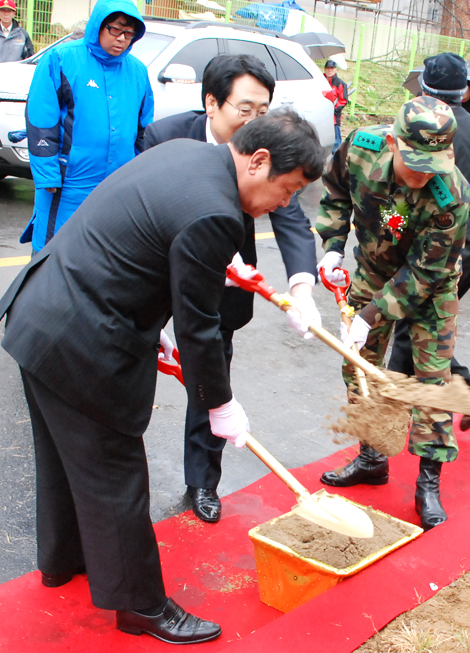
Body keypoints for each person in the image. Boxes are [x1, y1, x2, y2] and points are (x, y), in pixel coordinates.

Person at [0, 109, 324, 644]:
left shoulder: (188, 155)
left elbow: (146, 243)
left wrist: (164, 317)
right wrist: (218, 403)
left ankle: (63, 560)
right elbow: (201, 327)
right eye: (286, 191)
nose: (283, 205)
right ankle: (141, 605)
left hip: (42, 313)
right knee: (114, 472)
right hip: (84, 337)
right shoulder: (216, 213)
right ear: (258, 161)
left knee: (63, 455)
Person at [137, 54, 321, 524]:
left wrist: (302, 287)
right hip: (157, 280)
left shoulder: (269, 153)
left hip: (225, 284)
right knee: (136, 375)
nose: (255, 121)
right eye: (246, 109)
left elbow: (290, 216)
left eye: (264, 110)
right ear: (211, 103)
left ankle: (202, 481)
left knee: (210, 376)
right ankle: (124, 480)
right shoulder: (166, 137)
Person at [316, 96, 470, 531]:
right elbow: (335, 193)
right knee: (359, 366)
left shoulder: (452, 195)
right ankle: (372, 458)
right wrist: (331, 249)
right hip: (371, 269)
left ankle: (428, 485)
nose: (423, 174)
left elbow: (424, 273)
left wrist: (368, 316)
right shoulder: (360, 149)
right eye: (414, 161)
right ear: (392, 142)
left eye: (433, 164)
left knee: (432, 382)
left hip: (431, 285)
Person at [387, 52, 470, 430]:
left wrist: (391, 231)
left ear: (422, 89)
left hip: (437, 253)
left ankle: (391, 421)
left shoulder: (419, 133)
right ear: (465, 92)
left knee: (411, 332)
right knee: (426, 332)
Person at [20, 0, 154, 253]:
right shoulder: (61, 59)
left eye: (129, 33)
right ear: (98, 26)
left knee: (104, 255)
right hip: (69, 181)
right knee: (53, 253)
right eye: (115, 29)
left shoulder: (137, 72)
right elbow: (41, 121)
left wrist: (141, 178)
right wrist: (48, 173)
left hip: (117, 185)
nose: (122, 39)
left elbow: (143, 131)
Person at [323, 59, 348, 153]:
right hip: (320, 115)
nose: (329, 70)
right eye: (327, 68)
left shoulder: (340, 84)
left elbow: (343, 100)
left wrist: (334, 110)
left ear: (336, 70)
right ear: (324, 69)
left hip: (334, 117)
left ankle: (336, 159)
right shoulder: (320, 82)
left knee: (336, 140)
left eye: (332, 68)